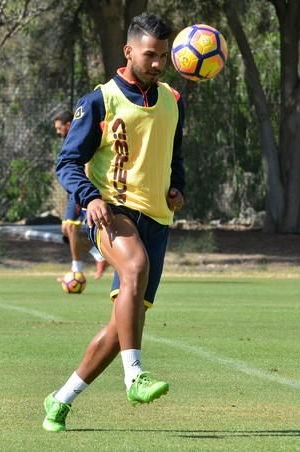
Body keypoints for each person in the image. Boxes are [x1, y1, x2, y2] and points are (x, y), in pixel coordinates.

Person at [42, 12, 185, 432]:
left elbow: (175, 156)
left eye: (163, 56)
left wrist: (177, 188)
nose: (157, 64)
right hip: (114, 211)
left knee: (119, 328)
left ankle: (60, 399)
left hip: (157, 219)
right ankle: (134, 376)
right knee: (134, 267)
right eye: (149, 55)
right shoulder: (100, 100)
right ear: (128, 51)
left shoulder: (173, 101)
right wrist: (90, 198)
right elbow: (67, 162)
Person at [53, 110, 108, 280]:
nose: (57, 131)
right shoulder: (70, 139)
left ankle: (76, 271)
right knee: (66, 231)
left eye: (59, 127)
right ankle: (100, 253)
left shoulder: (84, 133)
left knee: (71, 227)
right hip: (74, 189)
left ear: (68, 125)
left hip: (84, 188)